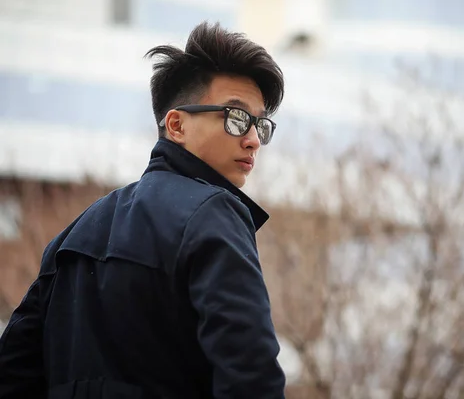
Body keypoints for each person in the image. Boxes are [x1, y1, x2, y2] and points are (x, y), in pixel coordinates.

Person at [0, 21, 286, 398]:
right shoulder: (215, 214)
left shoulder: (74, 233)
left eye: (260, 125)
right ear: (177, 125)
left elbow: (12, 375)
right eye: (235, 119)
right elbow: (251, 376)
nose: (252, 140)